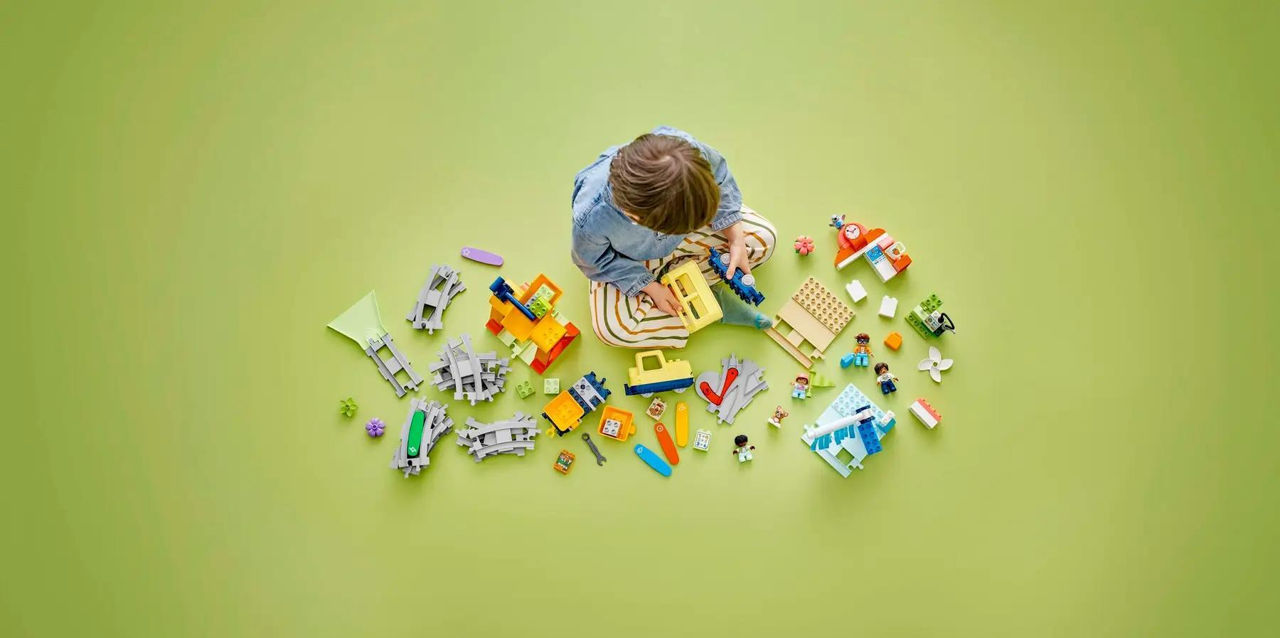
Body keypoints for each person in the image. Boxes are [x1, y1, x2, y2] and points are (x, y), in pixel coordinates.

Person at [571, 126, 777, 348]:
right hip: (629, 262)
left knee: (765, 238)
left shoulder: (685, 153)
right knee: (616, 330)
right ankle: (710, 306)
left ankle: (685, 286)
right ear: (634, 217)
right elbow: (593, 261)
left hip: (680, 230)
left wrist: (735, 238)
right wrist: (650, 287)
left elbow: (720, 176)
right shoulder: (591, 217)